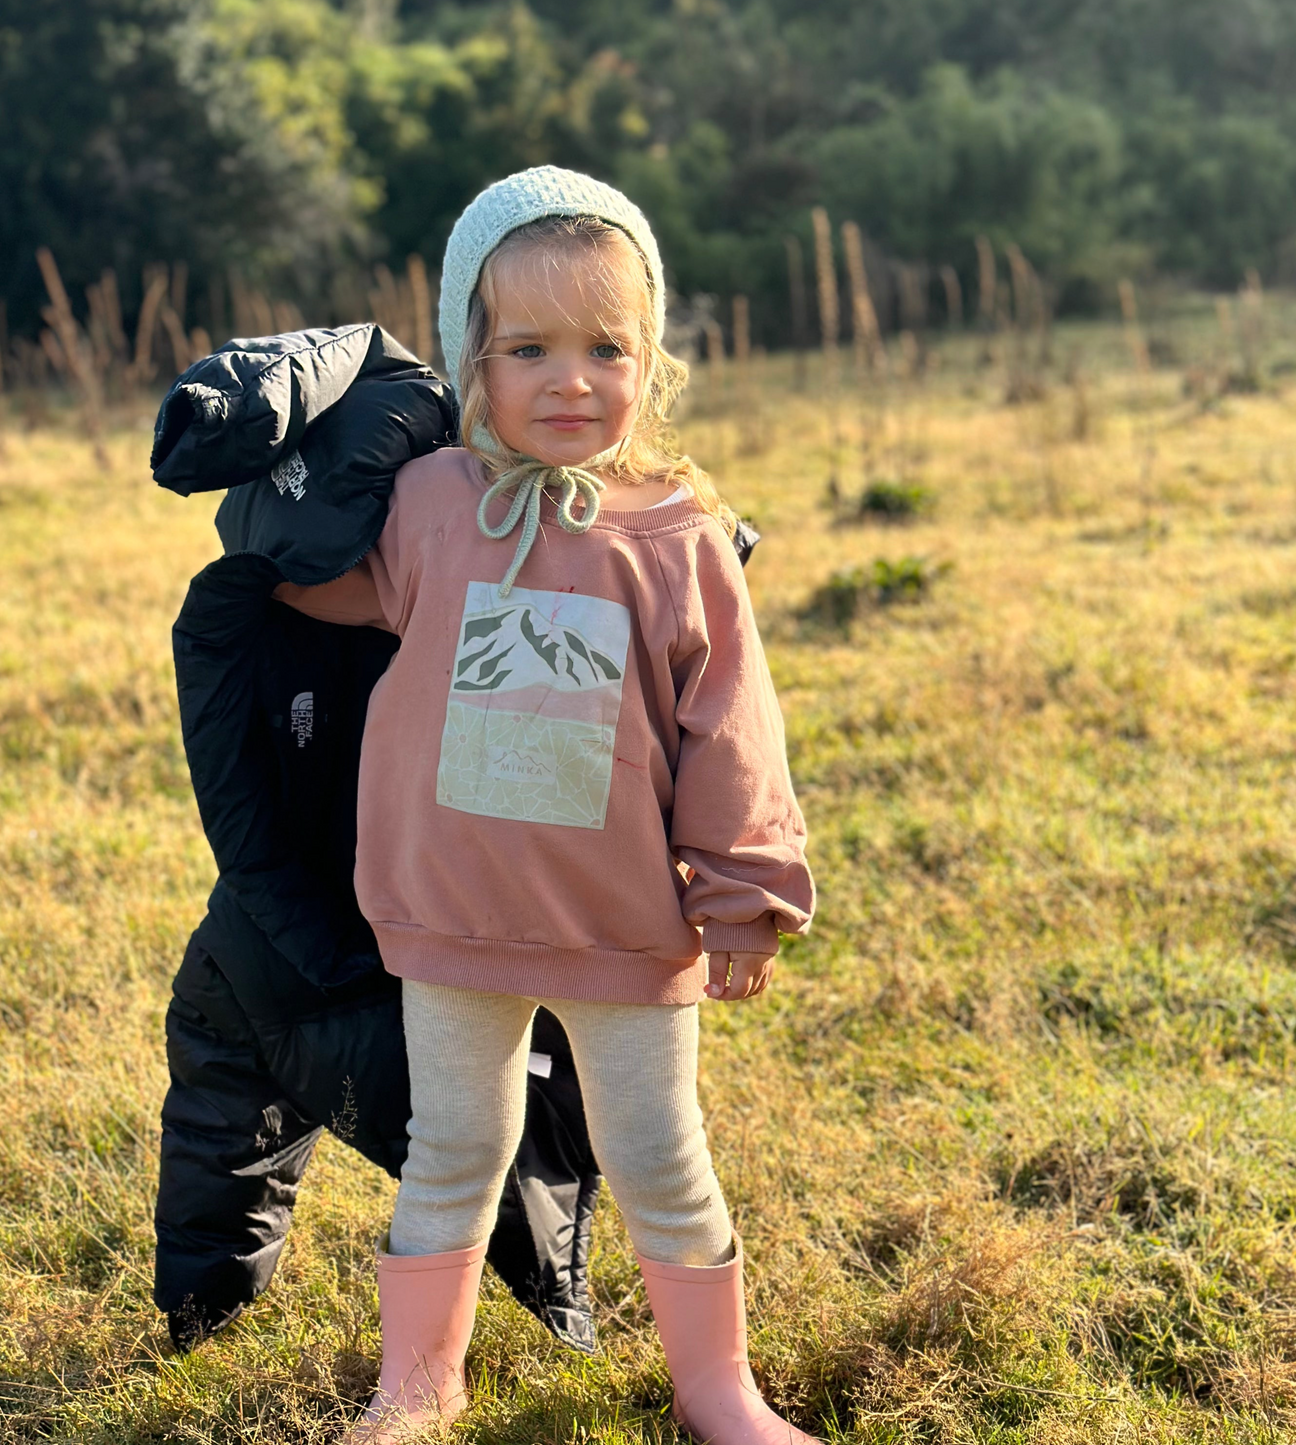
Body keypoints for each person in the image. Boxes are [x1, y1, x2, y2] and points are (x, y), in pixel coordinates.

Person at [276, 166, 817, 1444]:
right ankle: (417, 1385)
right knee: (452, 1149)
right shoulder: (428, 506)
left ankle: (716, 1388)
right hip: (451, 913)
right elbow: (320, 592)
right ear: (473, 352)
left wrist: (742, 896)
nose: (569, 379)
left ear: (651, 356)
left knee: (658, 1160)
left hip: (621, 921)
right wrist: (275, 497)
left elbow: (730, 721)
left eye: (603, 346)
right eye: (528, 347)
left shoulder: (679, 531)